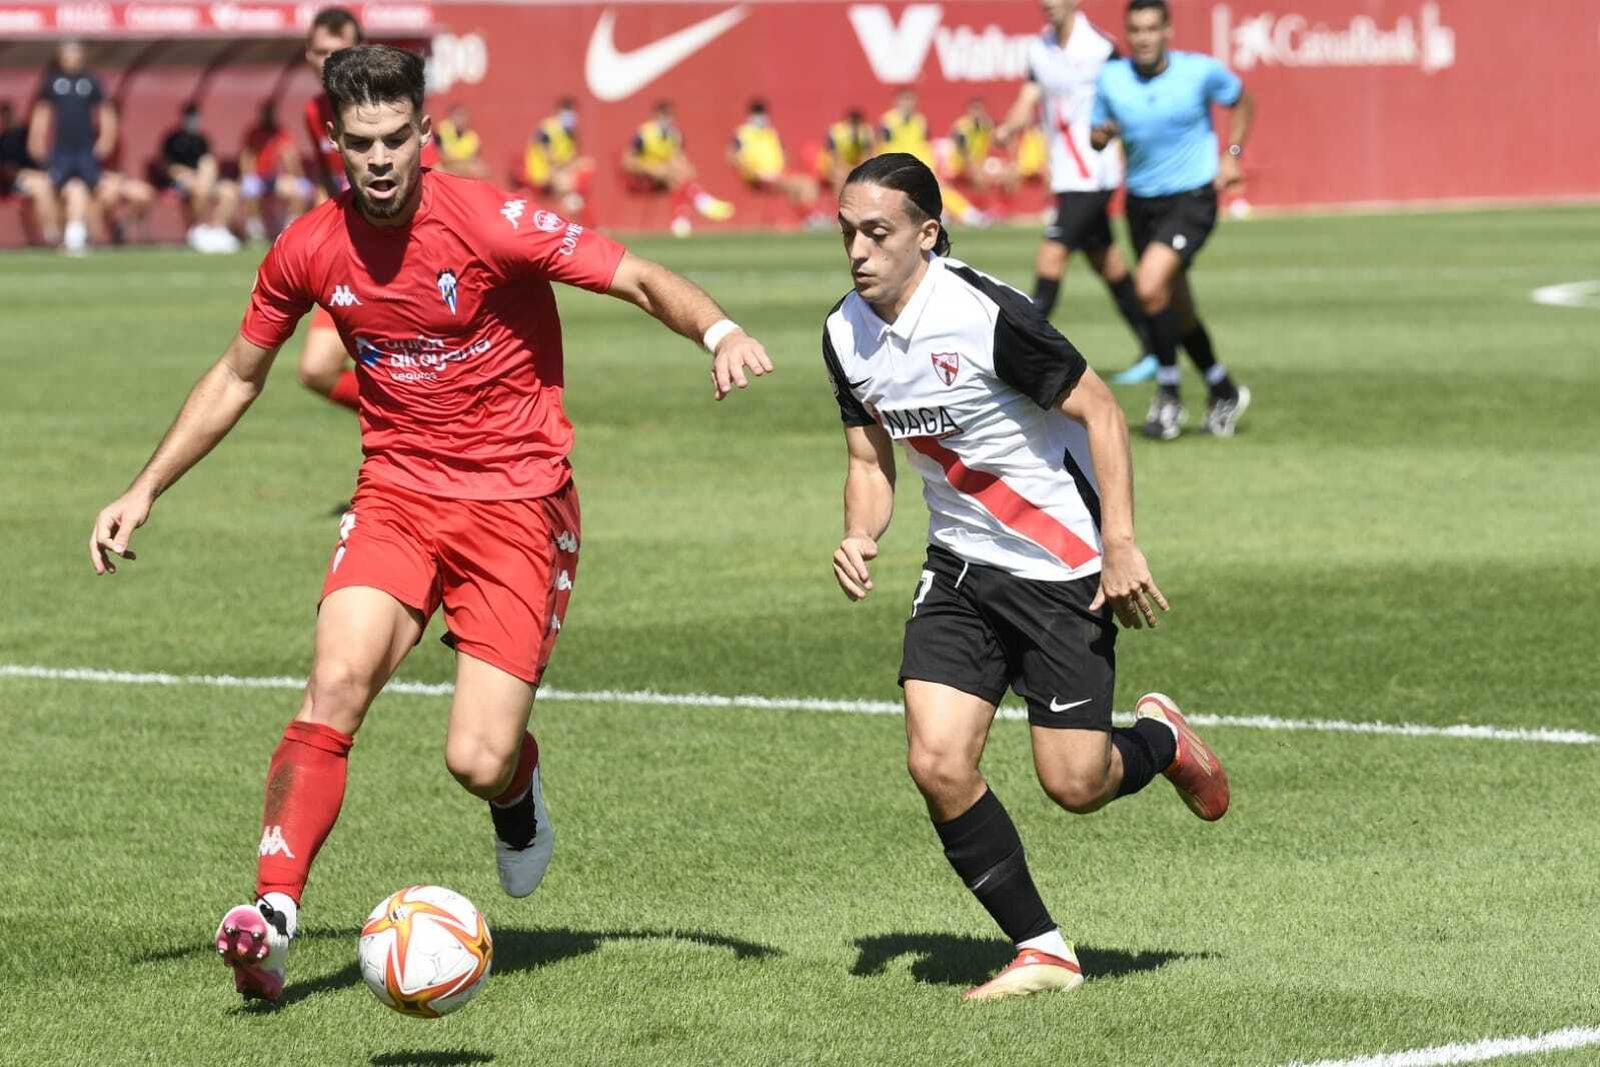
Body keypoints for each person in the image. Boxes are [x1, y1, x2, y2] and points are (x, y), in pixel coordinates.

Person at [88, 44, 774, 1005]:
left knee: (476, 757)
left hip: (519, 505)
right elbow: (240, 373)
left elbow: (635, 275)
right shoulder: (310, 246)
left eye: (396, 138)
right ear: (335, 138)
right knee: (334, 683)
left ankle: (517, 789)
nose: (379, 158)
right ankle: (274, 917)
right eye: (360, 141)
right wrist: (145, 486)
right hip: (398, 496)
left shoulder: (490, 220)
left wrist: (720, 330)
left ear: (425, 131)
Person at [821, 153, 1228, 1002]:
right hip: (960, 567)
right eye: (848, 231)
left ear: (927, 235)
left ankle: (1161, 740)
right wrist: (861, 531)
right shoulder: (842, 334)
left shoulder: (986, 314)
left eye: (878, 232)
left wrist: (1120, 542)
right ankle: (1042, 948)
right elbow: (870, 458)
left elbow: (1102, 411)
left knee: (1074, 783)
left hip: (1059, 568)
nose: (858, 250)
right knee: (936, 760)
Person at [1091, 0, 1253, 438]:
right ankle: (1222, 389)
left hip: (1193, 197)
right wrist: (1101, 135)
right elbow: (1095, 133)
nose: (1143, 38)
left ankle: (1169, 395)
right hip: (1141, 205)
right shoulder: (1112, 78)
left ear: (1168, 32)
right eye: (1135, 30)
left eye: (1151, 29)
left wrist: (1233, 155)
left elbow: (1240, 101)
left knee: (1147, 285)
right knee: (1174, 306)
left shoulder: (1199, 72)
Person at [997, 0, 1157, 385]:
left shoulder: (1101, 48)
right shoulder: (1039, 49)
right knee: (1110, 265)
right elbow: (1028, 98)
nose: (1046, 4)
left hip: (1094, 175)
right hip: (1066, 177)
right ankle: (1156, 347)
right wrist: (1007, 129)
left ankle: (1019, 360)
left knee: (1050, 258)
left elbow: (1127, 95)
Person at [299, 6, 368, 410]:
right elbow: (331, 184)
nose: (329, 62)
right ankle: (420, 421)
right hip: (351, 254)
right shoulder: (314, 111)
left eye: (338, 51)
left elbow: (431, 175)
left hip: (404, 252)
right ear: (307, 55)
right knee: (316, 370)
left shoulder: (384, 100)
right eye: (320, 52)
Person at [27, 40, 113, 255]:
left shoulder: (91, 81)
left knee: (90, 190)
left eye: (75, 53)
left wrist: (106, 138)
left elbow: (105, 111)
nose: (72, 57)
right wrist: (36, 138)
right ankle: (59, 234)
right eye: (68, 53)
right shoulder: (53, 82)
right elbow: (42, 112)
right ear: (60, 56)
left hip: (84, 150)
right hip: (61, 151)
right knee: (55, 189)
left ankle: (82, 234)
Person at [622, 99, 734, 237]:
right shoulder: (644, 133)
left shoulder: (674, 134)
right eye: (664, 115)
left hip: (668, 173)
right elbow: (628, 161)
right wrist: (651, 168)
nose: (667, 120)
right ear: (656, 116)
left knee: (680, 173)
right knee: (674, 172)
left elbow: (679, 157)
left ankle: (681, 220)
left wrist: (686, 168)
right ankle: (700, 200)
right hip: (646, 172)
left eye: (670, 116)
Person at [726, 99, 822, 228]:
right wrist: (749, 169)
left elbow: (784, 154)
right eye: (757, 113)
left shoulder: (771, 133)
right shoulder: (743, 133)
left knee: (807, 182)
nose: (760, 117)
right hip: (758, 177)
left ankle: (808, 218)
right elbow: (731, 156)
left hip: (777, 174)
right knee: (801, 185)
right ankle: (811, 218)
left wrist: (782, 167)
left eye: (762, 113)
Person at [160, 102, 241, 254]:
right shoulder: (172, 139)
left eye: (195, 116)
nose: (193, 120)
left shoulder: (202, 140)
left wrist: (206, 176)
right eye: (190, 116)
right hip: (179, 181)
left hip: (203, 180)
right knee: (200, 188)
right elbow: (167, 167)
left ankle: (218, 231)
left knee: (229, 191)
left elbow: (208, 163)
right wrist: (189, 175)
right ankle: (199, 230)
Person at [239, 100, 311, 241]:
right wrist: (246, 175)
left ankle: (291, 229)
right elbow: (246, 156)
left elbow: (291, 158)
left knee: (301, 188)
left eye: (271, 113)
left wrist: (295, 175)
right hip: (258, 177)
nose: (268, 116)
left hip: (276, 177)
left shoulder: (281, 133)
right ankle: (255, 230)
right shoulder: (254, 133)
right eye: (266, 113)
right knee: (249, 186)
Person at [520, 96, 595, 219]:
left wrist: (576, 164)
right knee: (566, 183)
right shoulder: (547, 128)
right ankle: (571, 212)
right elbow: (545, 153)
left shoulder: (569, 133)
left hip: (559, 170)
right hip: (541, 171)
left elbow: (570, 158)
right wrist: (563, 167)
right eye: (568, 112)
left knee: (586, 168)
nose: (571, 117)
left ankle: (574, 210)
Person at [1, 99, 58, 244]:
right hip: (12, 182)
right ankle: (53, 236)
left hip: (33, 176)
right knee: (41, 186)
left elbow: (36, 158)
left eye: (6, 115)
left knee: (55, 184)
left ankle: (66, 233)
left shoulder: (23, 134)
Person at [816, 107, 875, 191]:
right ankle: (838, 201)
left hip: (854, 164)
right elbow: (834, 157)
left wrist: (859, 169)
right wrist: (847, 169)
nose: (854, 128)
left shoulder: (865, 132)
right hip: (834, 164)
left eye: (857, 124)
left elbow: (868, 155)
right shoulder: (836, 132)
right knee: (840, 176)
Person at [435, 102, 491, 180]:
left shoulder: (472, 138)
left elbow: (474, 161)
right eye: (457, 116)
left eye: (463, 117)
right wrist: (462, 163)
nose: (460, 120)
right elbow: (442, 156)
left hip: (462, 169)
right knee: (437, 168)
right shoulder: (443, 129)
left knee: (482, 171)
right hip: (446, 167)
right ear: (450, 117)